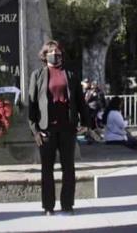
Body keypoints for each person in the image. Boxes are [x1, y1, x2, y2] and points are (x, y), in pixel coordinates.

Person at [28, 40, 88, 216]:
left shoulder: (70, 74)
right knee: (47, 169)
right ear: (45, 54)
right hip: (46, 129)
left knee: (68, 168)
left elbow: (80, 101)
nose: (56, 54)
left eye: (58, 52)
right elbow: (32, 105)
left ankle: (67, 205)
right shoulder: (37, 75)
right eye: (52, 52)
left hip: (68, 128)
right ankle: (48, 207)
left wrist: (85, 123)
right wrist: (35, 131)